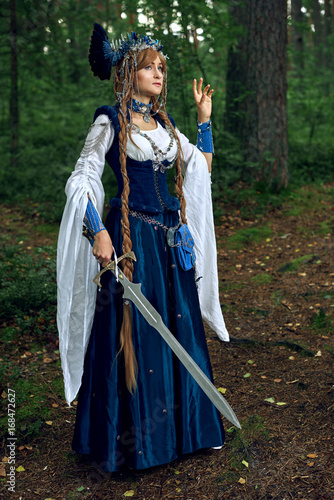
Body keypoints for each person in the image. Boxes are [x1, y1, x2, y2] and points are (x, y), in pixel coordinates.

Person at [57, 23, 229, 472]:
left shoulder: (164, 125)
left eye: (161, 68)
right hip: (130, 244)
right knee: (132, 336)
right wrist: (97, 230)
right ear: (129, 70)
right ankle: (134, 444)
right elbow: (82, 178)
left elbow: (201, 172)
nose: (158, 74)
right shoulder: (109, 121)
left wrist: (204, 121)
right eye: (150, 66)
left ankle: (189, 431)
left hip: (171, 244)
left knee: (181, 331)